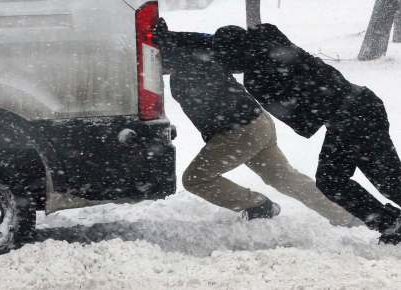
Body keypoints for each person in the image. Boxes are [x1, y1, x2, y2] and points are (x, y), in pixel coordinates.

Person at [154, 19, 360, 225]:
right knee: (285, 178)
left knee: (196, 179)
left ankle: (258, 205)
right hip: (258, 124)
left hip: (239, 131)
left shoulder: (189, 61)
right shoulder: (199, 52)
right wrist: (168, 35)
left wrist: (165, 36)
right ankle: (347, 215)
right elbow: (200, 40)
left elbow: (191, 44)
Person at [212, 23, 401, 244]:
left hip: (356, 116)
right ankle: (391, 224)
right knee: (332, 181)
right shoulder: (268, 36)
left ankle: (391, 224)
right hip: (356, 109)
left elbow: (304, 123)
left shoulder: (256, 80)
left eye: (225, 60)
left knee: (389, 181)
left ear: (234, 55)